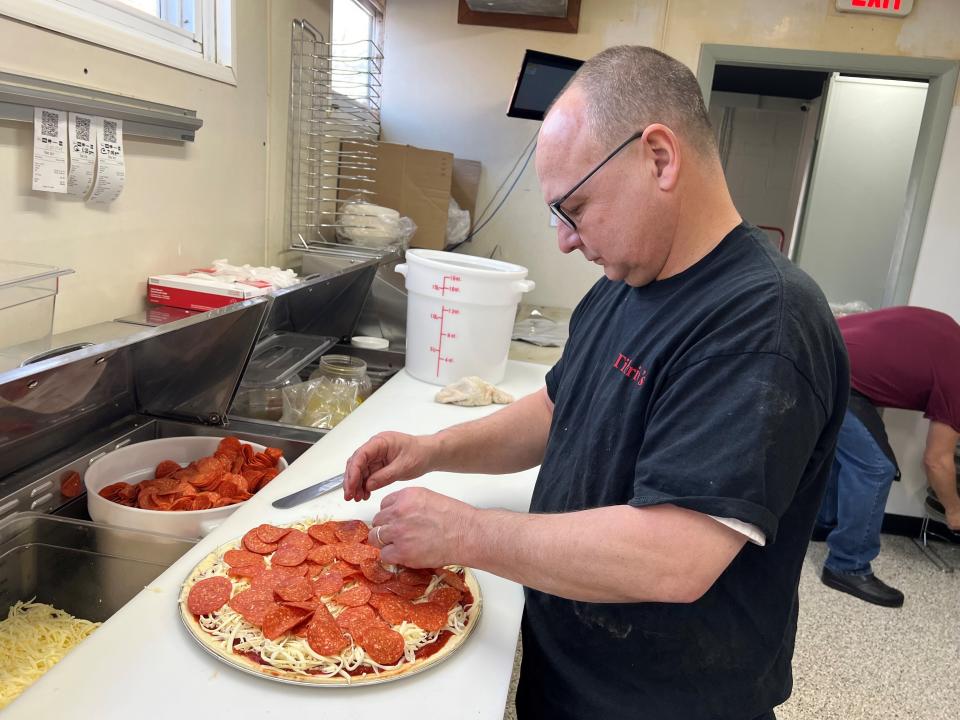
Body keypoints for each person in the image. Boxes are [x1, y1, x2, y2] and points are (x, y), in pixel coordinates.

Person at [343, 46, 848, 720]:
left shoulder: (764, 323)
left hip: (664, 702)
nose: (565, 240)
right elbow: (559, 410)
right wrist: (432, 449)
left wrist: (469, 534)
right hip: (569, 672)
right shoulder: (628, 279)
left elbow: (673, 557)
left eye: (574, 207)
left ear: (659, 158)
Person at [815, 306, 960, 607]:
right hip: (833, 372)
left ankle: (824, 523)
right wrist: (955, 511)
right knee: (875, 468)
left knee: (847, 454)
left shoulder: (949, 330)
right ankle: (847, 564)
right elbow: (937, 460)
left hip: (818, 352)